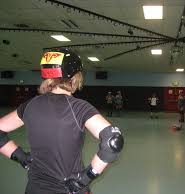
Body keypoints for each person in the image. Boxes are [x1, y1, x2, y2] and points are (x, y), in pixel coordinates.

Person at [0, 48, 124, 194]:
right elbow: (113, 141)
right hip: (69, 188)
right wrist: (85, 178)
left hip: (35, 188)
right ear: (75, 77)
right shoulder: (78, 107)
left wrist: (22, 157)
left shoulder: (30, 105)